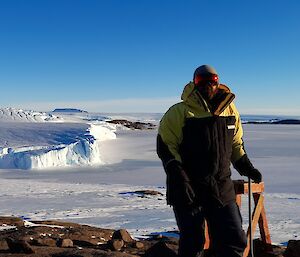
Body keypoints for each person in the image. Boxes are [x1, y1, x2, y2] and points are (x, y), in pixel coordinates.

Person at [156, 65, 262, 257]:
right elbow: (166, 147)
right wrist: (179, 177)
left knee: (234, 239)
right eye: (201, 80)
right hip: (188, 188)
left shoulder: (230, 110)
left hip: (221, 186)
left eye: (212, 80)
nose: (207, 84)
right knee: (193, 243)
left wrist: (245, 165)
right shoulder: (179, 112)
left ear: (218, 82)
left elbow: (236, 143)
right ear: (194, 83)